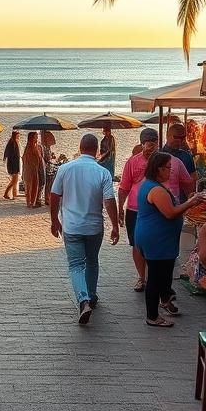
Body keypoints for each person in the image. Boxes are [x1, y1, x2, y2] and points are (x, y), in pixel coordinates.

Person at [134, 152, 206, 328]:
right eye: (168, 168)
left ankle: (165, 301)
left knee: (163, 273)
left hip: (159, 238)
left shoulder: (155, 186)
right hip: (156, 239)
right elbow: (170, 213)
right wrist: (191, 202)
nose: (170, 171)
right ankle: (152, 316)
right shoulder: (155, 189)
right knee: (155, 276)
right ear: (159, 169)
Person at [49, 134, 119, 324]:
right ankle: (92, 295)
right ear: (96, 151)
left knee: (76, 265)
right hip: (94, 227)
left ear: (80, 149)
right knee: (92, 261)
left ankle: (83, 299)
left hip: (71, 227)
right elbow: (109, 200)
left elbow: (54, 196)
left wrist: (54, 220)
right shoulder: (102, 172)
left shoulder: (65, 169)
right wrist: (115, 225)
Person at [117, 128, 161, 292]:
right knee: (136, 244)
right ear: (142, 144)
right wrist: (120, 207)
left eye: (154, 143)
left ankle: (154, 277)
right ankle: (141, 277)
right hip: (135, 209)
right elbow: (124, 187)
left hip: (158, 209)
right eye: (149, 144)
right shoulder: (133, 162)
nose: (152, 147)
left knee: (155, 243)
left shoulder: (163, 161)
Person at [162, 123, 198, 194]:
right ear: (167, 136)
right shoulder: (158, 154)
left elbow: (193, 179)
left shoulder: (186, 156)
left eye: (182, 137)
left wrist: (190, 197)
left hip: (181, 197)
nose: (179, 140)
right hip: (160, 195)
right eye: (176, 137)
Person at [22, 132, 45, 208]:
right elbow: (26, 159)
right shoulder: (30, 147)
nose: (37, 138)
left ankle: (33, 202)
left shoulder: (35, 146)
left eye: (37, 136)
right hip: (30, 170)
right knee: (30, 186)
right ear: (32, 138)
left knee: (35, 186)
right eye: (36, 137)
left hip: (35, 170)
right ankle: (29, 203)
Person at [3, 130, 22, 200]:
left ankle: (12, 194)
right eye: (18, 135)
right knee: (14, 180)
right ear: (15, 135)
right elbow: (12, 155)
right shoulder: (12, 143)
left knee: (14, 180)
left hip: (13, 164)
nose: (19, 137)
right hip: (13, 164)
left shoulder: (13, 142)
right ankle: (7, 193)